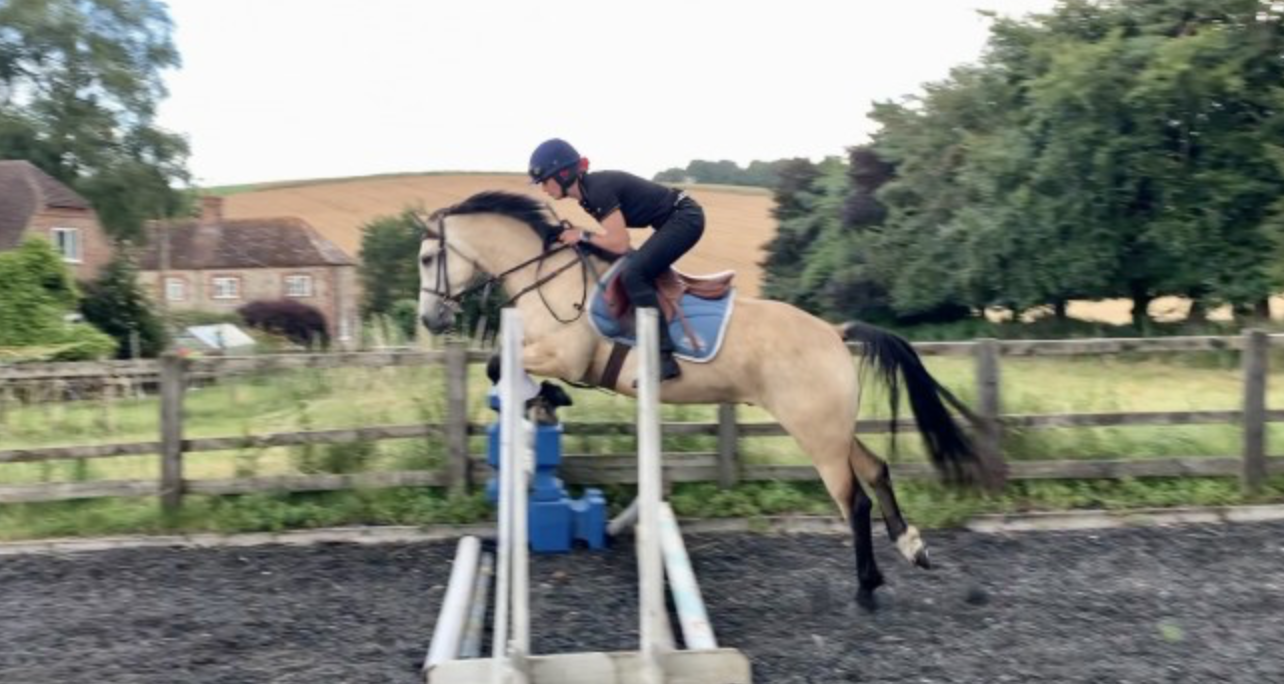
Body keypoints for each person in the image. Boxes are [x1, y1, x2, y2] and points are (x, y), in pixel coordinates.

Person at [528, 138, 704, 382]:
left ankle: (664, 357)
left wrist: (582, 235)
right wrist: (580, 237)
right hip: (674, 219)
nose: (543, 188)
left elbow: (618, 243)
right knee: (633, 266)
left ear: (563, 173)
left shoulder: (597, 190)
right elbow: (615, 243)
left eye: (544, 180)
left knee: (634, 275)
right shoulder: (587, 195)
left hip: (685, 219)